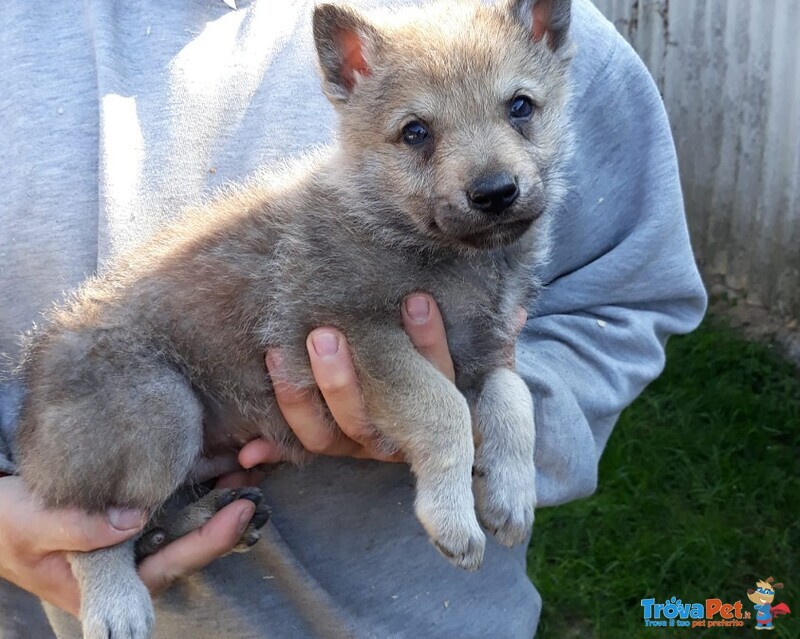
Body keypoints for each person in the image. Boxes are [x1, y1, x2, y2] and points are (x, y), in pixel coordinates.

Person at [0, 0, 707, 636]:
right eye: (419, 134)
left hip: (428, 619)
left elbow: (610, 310)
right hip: (132, 401)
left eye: (518, 108)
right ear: (350, 74)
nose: (490, 168)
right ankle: (108, 551)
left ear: (548, 39)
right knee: (157, 421)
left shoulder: (545, 42)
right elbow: (355, 334)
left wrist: (509, 435)